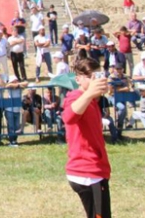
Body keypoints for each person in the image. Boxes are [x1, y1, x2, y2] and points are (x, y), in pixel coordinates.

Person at [62, 58, 111, 218]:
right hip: (86, 172)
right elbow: (68, 117)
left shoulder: (92, 101)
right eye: (89, 76)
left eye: (97, 75)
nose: (95, 80)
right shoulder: (76, 96)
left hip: (95, 171)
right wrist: (89, 93)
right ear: (78, 79)